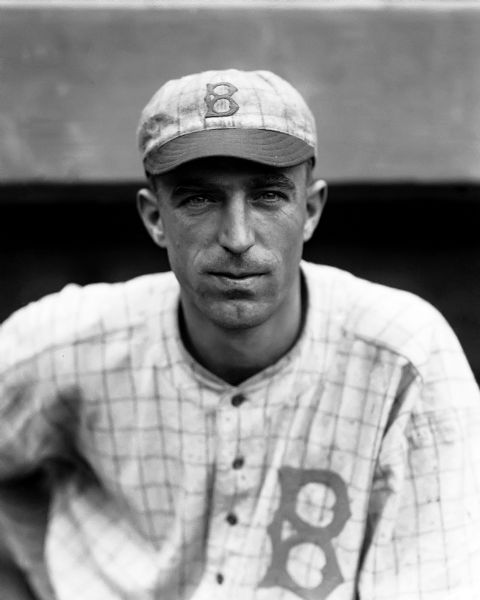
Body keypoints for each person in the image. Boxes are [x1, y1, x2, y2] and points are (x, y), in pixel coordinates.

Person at [0, 68, 479, 600]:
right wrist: (26, 571)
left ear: (311, 210)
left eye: (269, 195)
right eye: (199, 200)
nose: (237, 237)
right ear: (155, 217)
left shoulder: (403, 356)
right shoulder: (73, 341)